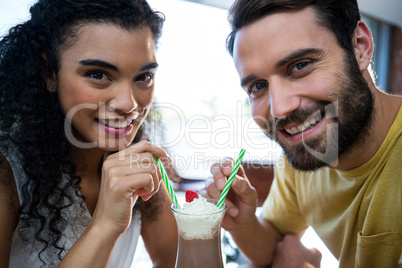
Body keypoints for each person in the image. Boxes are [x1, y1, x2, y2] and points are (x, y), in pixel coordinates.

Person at [206, 0, 402, 267]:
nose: (280, 108)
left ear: (359, 47)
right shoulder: (304, 153)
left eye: (300, 66)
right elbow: (274, 242)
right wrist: (243, 222)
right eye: (258, 86)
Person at [0, 0, 178, 267]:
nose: (128, 104)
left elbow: (173, 258)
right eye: (98, 74)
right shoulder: (6, 175)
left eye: (143, 77)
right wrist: (105, 224)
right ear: (49, 73)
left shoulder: (137, 159)